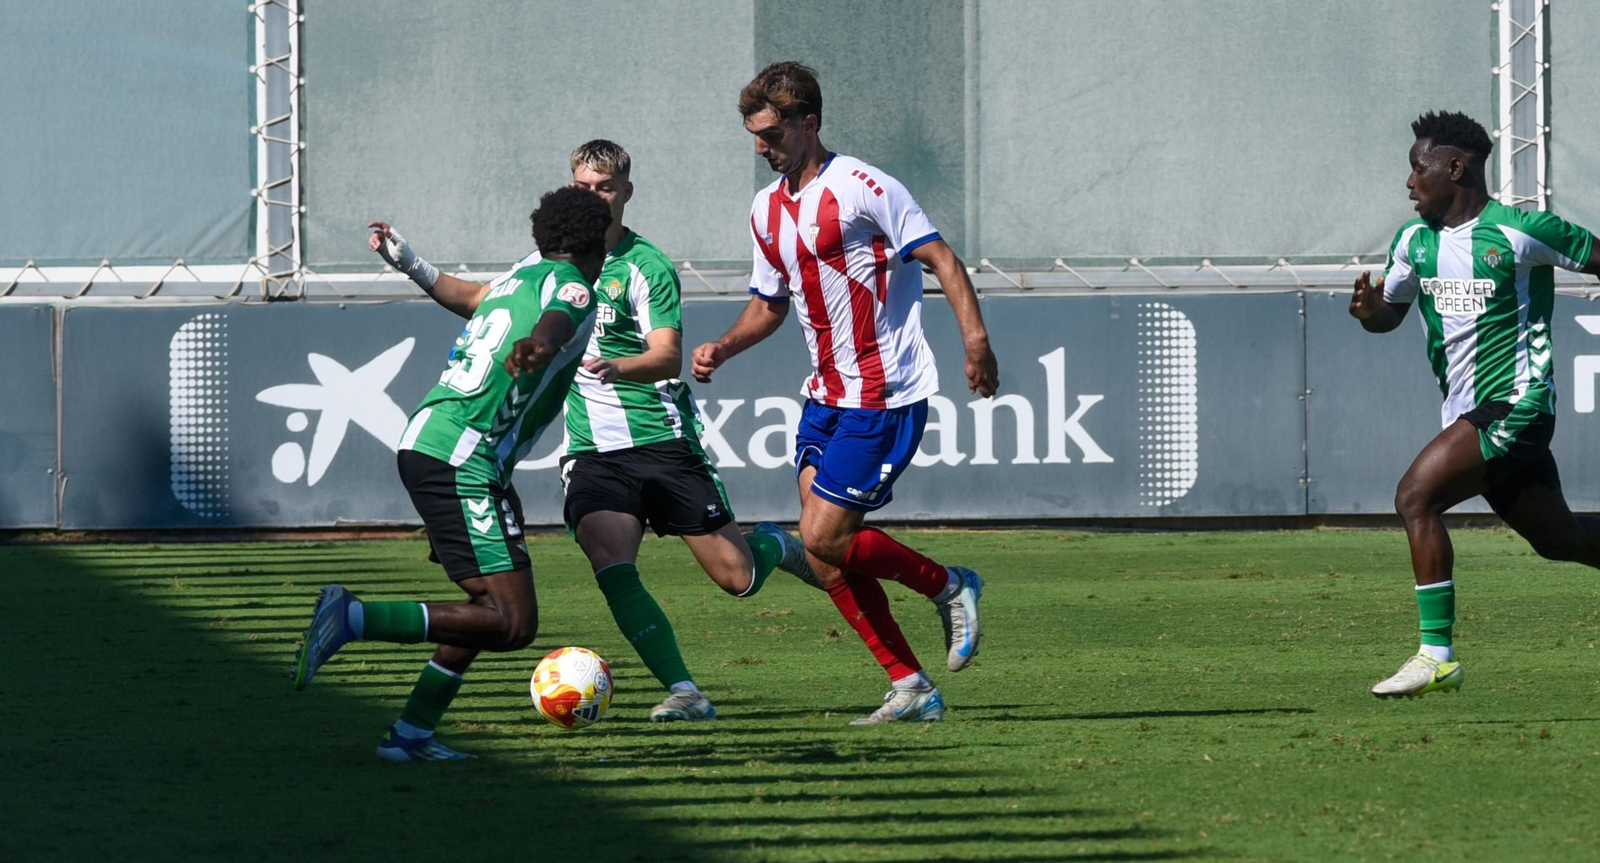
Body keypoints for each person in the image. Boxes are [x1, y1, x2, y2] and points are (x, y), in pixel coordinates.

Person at [368, 140, 814, 724]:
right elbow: (480, 300)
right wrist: (412, 263)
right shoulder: (547, 263)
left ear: (625, 192)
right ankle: (683, 689)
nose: (596, 198)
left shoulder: (645, 265)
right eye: (584, 188)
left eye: (605, 189)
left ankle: (772, 544)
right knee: (610, 563)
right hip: (590, 448)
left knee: (737, 578)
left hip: (658, 437)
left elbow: (667, 356)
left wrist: (615, 366)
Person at [692, 62, 1000, 725]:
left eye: (771, 134)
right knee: (826, 555)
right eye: (753, 135)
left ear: (810, 123)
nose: (760, 148)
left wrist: (975, 342)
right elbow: (768, 305)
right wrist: (724, 344)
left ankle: (949, 583)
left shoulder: (864, 186)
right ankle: (910, 684)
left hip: (884, 393)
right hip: (825, 396)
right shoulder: (766, 209)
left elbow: (942, 258)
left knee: (821, 538)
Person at [291, 186, 610, 761]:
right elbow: (559, 322)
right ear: (601, 240)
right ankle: (352, 616)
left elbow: (466, 296)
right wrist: (538, 345)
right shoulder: (573, 285)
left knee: (482, 609)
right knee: (512, 624)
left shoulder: (518, 280)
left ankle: (410, 736)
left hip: (437, 443)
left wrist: (408, 259)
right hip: (463, 456)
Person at [1351, 110, 1600, 698]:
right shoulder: (1413, 242)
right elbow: (1390, 315)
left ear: (1454, 167)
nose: (1409, 182)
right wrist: (1370, 315)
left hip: (1517, 404)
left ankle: (1436, 656)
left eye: (1418, 168)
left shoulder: (1521, 230)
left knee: (1415, 496)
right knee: (1560, 542)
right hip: (1470, 413)